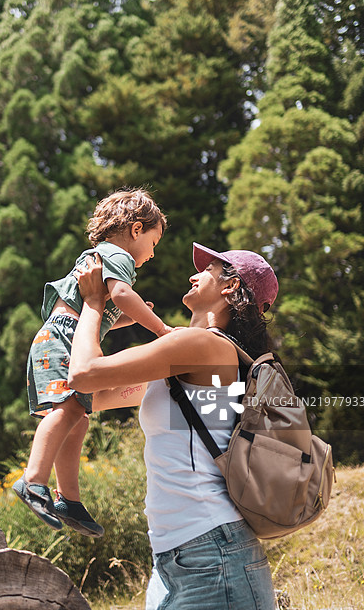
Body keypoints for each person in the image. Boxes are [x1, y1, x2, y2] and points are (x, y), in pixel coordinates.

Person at [68, 242, 279, 610]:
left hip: (213, 556)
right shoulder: (186, 358)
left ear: (230, 288)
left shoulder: (202, 347)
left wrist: (92, 304)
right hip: (176, 558)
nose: (193, 275)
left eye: (209, 270)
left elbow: (85, 375)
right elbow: (94, 397)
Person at [13, 188, 171, 537]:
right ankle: (33, 480)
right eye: (154, 241)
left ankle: (68, 498)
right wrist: (160, 329)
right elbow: (120, 295)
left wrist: (130, 316)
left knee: (77, 419)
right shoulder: (118, 256)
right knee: (67, 411)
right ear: (135, 230)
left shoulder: (102, 257)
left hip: (59, 335)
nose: (152, 253)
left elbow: (104, 310)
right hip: (63, 338)